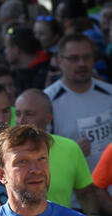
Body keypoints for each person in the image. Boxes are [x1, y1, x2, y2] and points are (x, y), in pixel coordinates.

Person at [14, 89, 102, 212]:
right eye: (18, 114)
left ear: (49, 118)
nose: (21, 120)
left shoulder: (70, 148)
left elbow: (85, 193)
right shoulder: (6, 151)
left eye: (29, 114)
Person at [43, 33, 112, 168]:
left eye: (87, 57)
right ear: (59, 61)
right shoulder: (46, 100)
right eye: (74, 58)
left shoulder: (109, 92)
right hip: (75, 187)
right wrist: (71, 153)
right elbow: (38, 153)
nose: (82, 64)